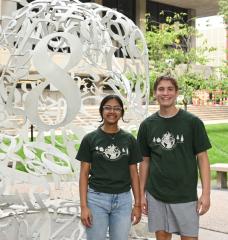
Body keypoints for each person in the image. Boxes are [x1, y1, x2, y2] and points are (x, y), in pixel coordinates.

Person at [137, 76, 211, 240]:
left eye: (170, 89)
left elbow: (203, 159)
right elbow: (144, 162)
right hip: (156, 194)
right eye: (161, 89)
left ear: (176, 93)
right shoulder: (147, 125)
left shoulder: (192, 122)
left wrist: (206, 194)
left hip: (185, 195)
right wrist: (141, 194)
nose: (165, 93)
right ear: (155, 93)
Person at [76, 94, 142, 240]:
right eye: (108, 108)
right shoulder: (90, 139)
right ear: (101, 111)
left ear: (122, 113)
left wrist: (137, 204)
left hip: (123, 200)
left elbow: (134, 174)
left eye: (117, 108)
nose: (112, 111)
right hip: (96, 200)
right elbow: (83, 175)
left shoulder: (129, 140)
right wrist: (84, 206)